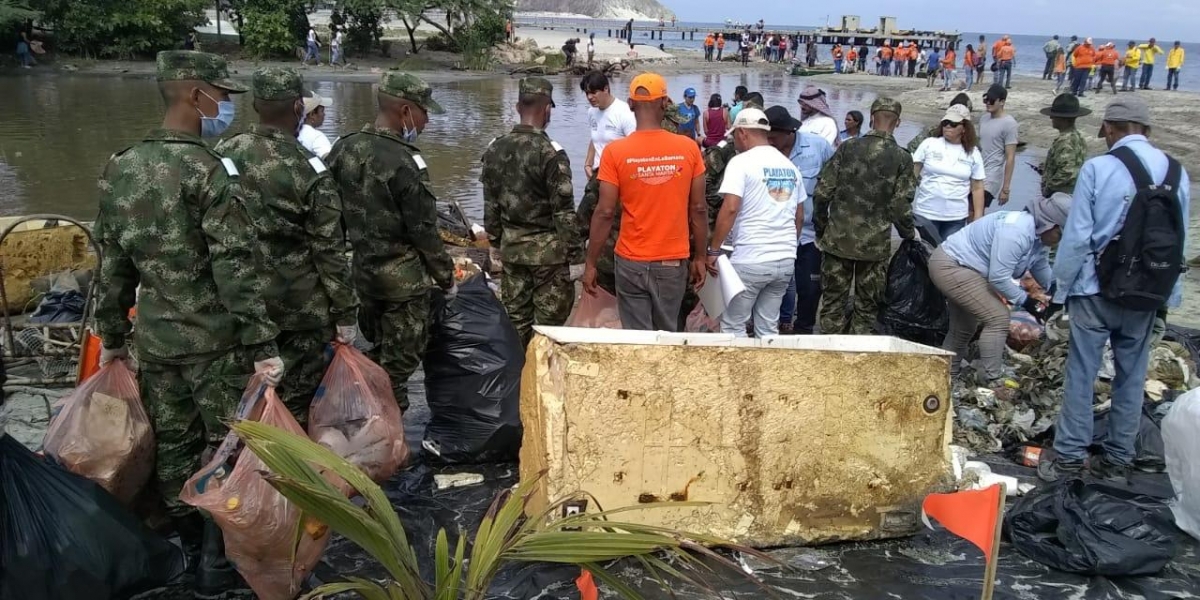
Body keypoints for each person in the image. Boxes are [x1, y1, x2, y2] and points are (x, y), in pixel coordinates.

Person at [93, 50, 282, 596]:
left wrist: (111, 337)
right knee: (227, 445)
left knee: (173, 445)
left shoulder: (120, 165)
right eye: (219, 95)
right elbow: (234, 267)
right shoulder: (211, 168)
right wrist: (263, 342)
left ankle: (190, 548)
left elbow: (113, 264)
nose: (223, 106)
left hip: (155, 340)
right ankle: (218, 560)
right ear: (194, 94)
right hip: (215, 342)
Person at [1039, 96, 1190, 482]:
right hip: (1148, 292)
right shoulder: (1177, 172)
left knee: (1082, 372)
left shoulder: (1098, 168)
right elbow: (1180, 241)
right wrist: (1168, 298)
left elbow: (1076, 238)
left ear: (1109, 127)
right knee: (1132, 376)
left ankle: (1070, 457)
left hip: (1095, 288)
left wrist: (1060, 290)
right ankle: (1119, 459)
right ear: (1146, 130)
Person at [215, 67, 357, 426]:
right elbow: (329, 251)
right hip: (298, 315)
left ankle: (243, 471)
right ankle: (287, 475)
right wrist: (345, 314)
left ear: (257, 105)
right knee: (294, 409)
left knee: (242, 404)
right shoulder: (307, 168)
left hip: (237, 310)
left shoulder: (221, 155)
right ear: (298, 107)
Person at [325, 72, 456, 411]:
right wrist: (446, 277)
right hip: (403, 287)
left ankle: (364, 412)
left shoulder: (343, 148)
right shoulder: (405, 161)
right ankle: (390, 429)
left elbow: (328, 217)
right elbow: (424, 231)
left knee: (378, 349)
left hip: (364, 278)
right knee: (399, 365)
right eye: (425, 113)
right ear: (406, 111)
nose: (426, 123)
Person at [582, 73, 707, 331]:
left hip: (630, 261)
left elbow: (605, 212)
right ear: (665, 103)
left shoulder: (615, 152)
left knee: (637, 337)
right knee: (667, 332)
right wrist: (701, 257)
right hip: (672, 261)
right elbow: (698, 208)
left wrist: (591, 264)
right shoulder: (689, 149)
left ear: (630, 104)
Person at [481, 77, 582, 347]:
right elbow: (564, 213)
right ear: (547, 108)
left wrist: (494, 243)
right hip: (548, 258)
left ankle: (517, 382)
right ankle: (541, 382)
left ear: (517, 106)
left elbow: (490, 204)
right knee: (548, 332)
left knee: (516, 325)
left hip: (512, 251)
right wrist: (577, 258)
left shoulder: (495, 148)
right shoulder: (550, 153)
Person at [930, 195, 1067, 385]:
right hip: (952, 265)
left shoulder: (1037, 234)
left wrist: (1055, 291)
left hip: (965, 268)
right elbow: (999, 278)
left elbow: (1040, 264)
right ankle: (994, 380)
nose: (1060, 241)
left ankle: (943, 379)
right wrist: (1028, 303)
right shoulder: (1016, 232)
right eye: (1060, 234)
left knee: (964, 327)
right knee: (997, 318)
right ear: (1050, 225)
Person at [813, 97, 917, 335]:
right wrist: (909, 234)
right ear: (898, 123)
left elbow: (822, 192)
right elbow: (900, 205)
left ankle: (829, 355)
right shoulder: (902, 158)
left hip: (838, 239)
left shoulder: (848, 148)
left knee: (832, 304)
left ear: (871, 117)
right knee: (866, 307)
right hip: (874, 245)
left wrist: (821, 227)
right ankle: (857, 357)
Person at [709, 108, 804, 337]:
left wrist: (713, 250)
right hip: (785, 260)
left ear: (742, 132)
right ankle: (768, 371)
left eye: (734, 137)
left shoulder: (741, 163)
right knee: (768, 326)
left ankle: (738, 372)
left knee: (733, 325)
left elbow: (730, 208)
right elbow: (799, 217)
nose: (735, 142)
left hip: (752, 258)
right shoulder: (789, 166)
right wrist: (788, 246)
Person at [765, 105, 834, 335]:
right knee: (775, 286)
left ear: (789, 132)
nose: (770, 142)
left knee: (810, 288)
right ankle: (772, 328)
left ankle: (803, 329)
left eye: (774, 138)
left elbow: (837, 183)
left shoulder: (818, 147)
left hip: (809, 235)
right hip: (775, 233)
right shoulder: (764, 152)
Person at [911, 105, 986, 246]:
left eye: (953, 124)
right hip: (926, 213)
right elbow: (912, 175)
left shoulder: (973, 152)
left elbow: (977, 187)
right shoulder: (929, 144)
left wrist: (978, 217)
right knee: (923, 255)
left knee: (947, 258)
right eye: (945, 123)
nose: (948, 127)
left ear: (964, 128)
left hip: (956, 217)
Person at [581, 71, 637, 181]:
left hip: (618, 175)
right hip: (596, 174)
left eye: (593, 92)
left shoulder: (625, 112)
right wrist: (588, 164)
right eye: (587, 93)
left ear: (606, 89)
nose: (589, 97)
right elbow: (595, 138)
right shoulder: (591, 112)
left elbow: (636, 148)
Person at [1037, 93, 1090, 200]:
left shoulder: (1065, 141)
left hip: (1060, 197)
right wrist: (1047, 168)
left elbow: (1067, 172)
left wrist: (1048, 188)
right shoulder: (1078, 137)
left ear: (1063, 118)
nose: (1051, 117)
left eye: (1054, 115)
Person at [980, 84, 1018, 206]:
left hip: (992, 177)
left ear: (1002, 102)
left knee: (974, 210)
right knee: (967, 211)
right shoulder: (983, 119)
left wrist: (1005, 189)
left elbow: (1010, 157)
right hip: (977, 173)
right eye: (986, 100)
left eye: (991, 101)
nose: (988, 103)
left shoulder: (1009, 124)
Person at [298, 89, 334, 158]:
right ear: (312, 115)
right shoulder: (317, 137)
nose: (324, 114)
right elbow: (327, 158)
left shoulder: (289, 132)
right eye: (322, 111)